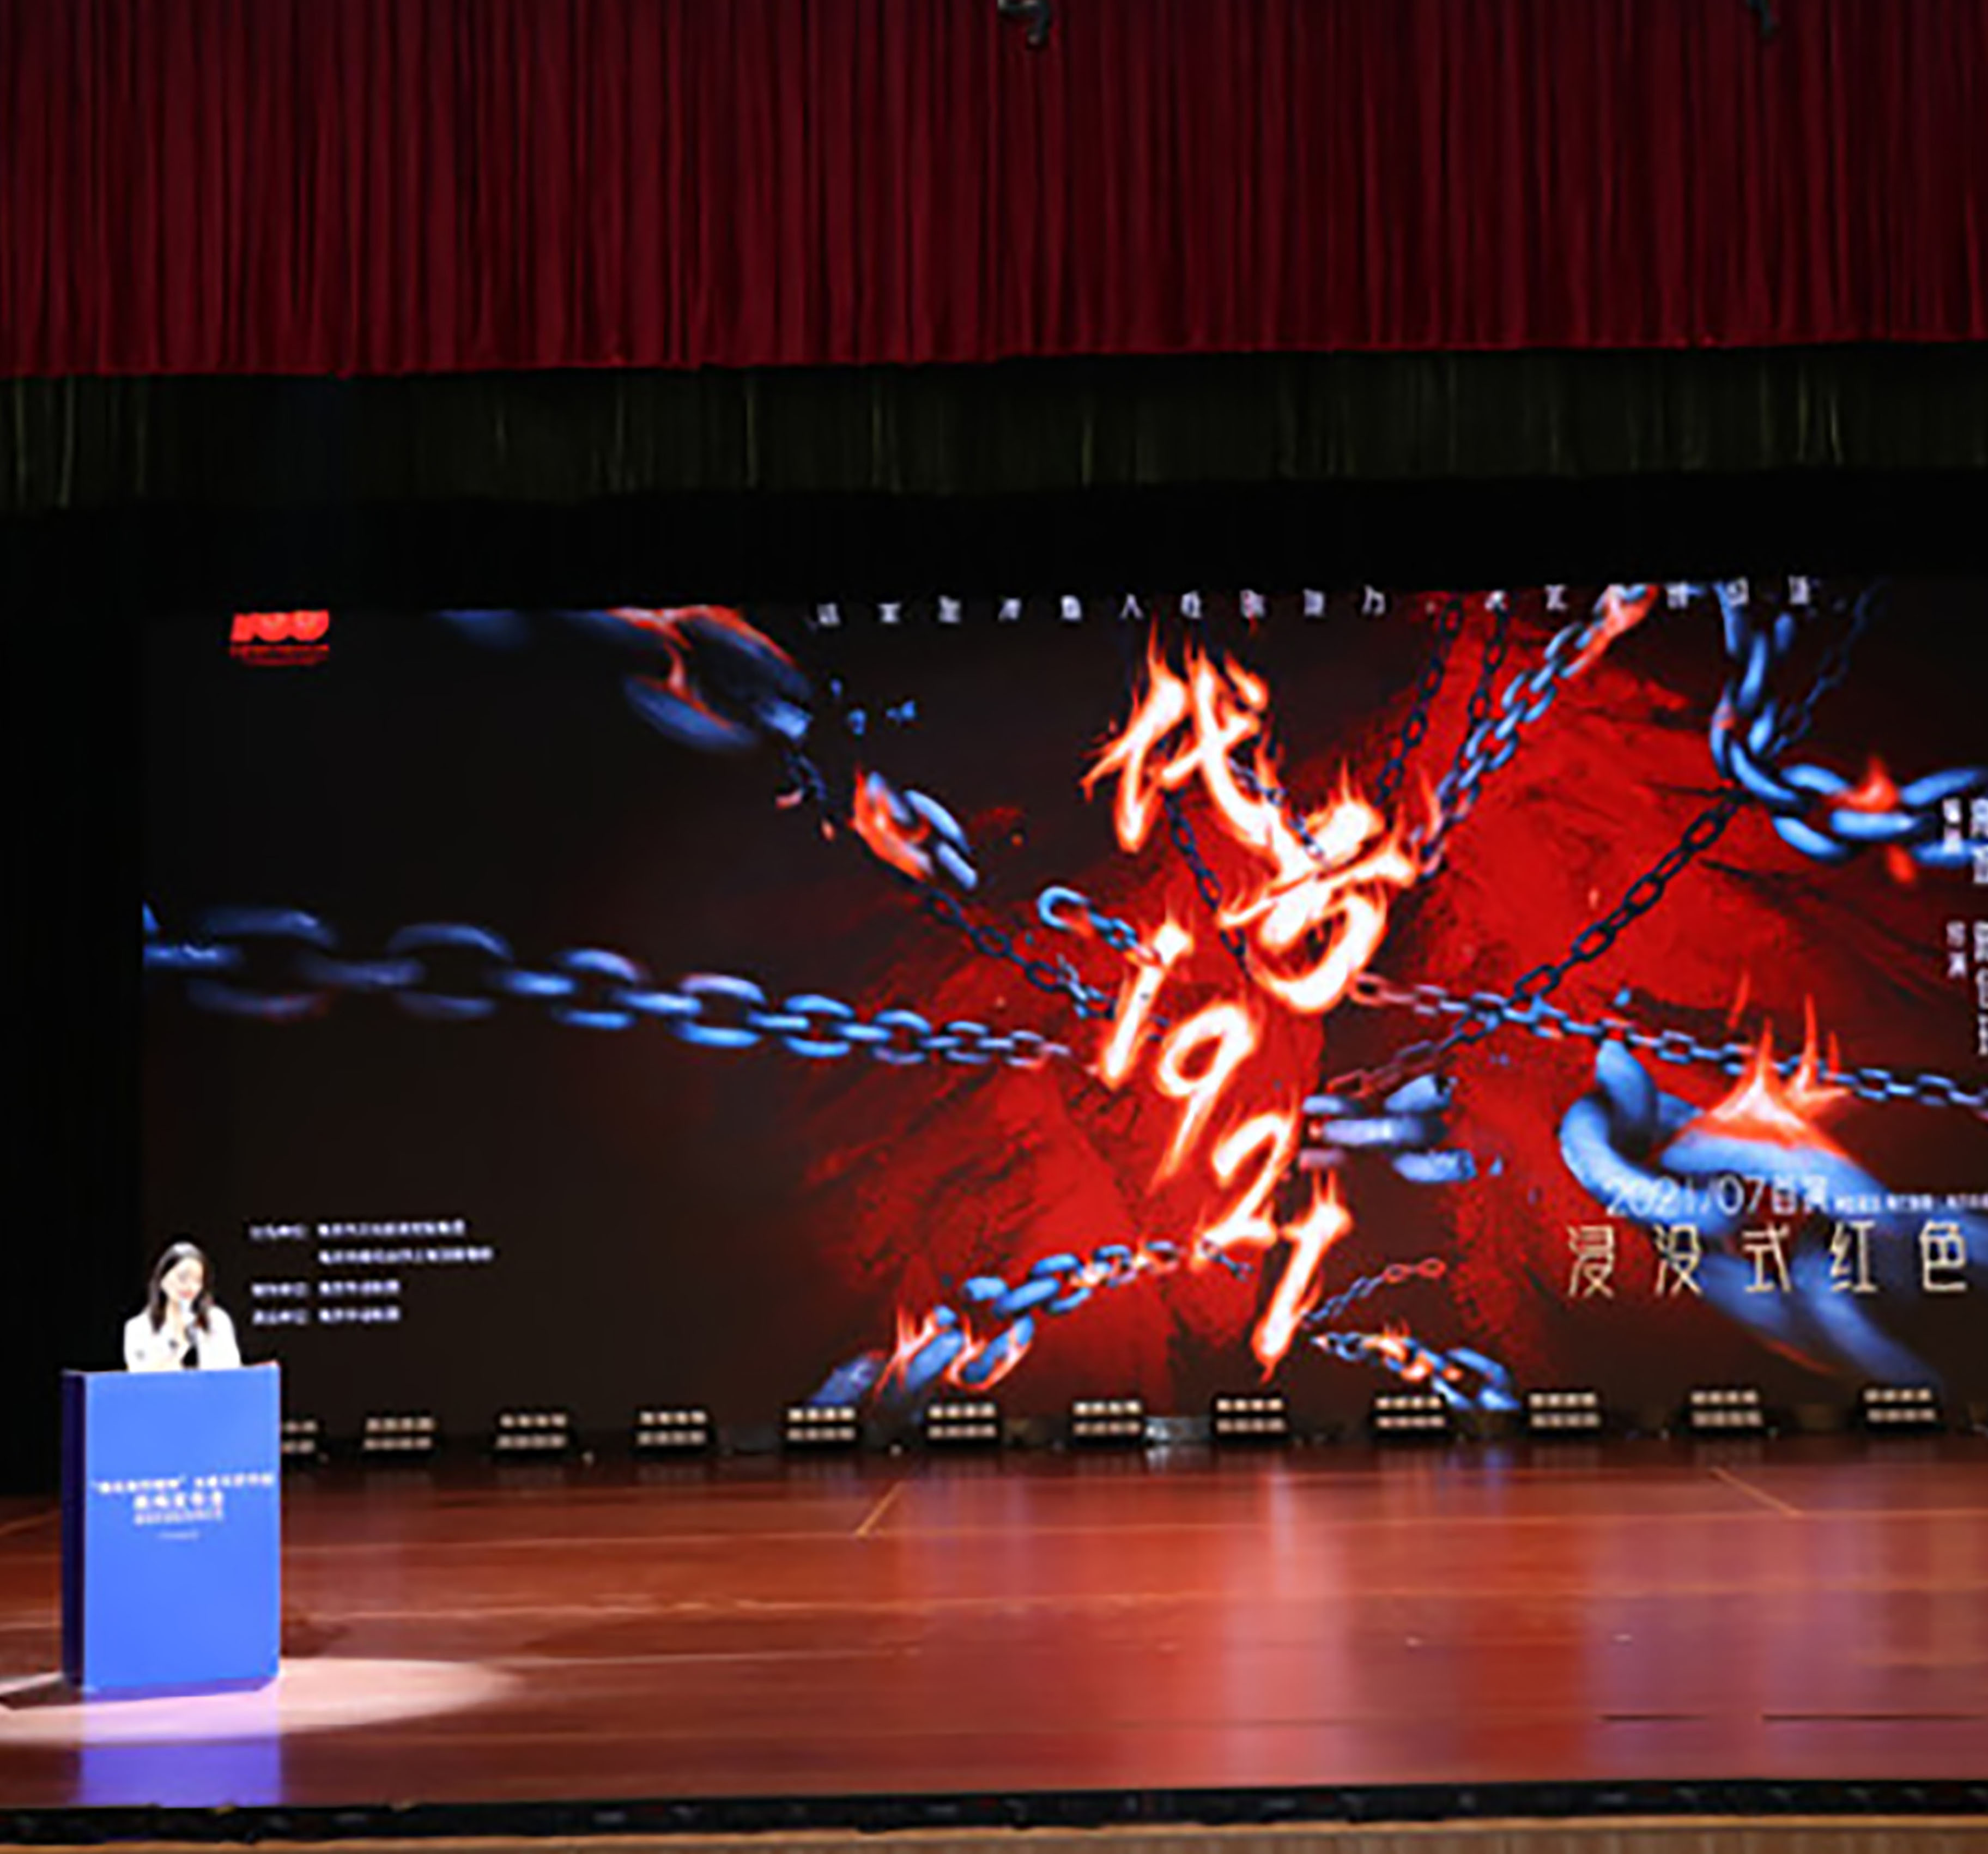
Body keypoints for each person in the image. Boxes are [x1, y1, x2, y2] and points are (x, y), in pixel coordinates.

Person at [124, 1240, 242, 1371]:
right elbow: (139, 1374)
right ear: (162, 1279)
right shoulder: (139, 1328)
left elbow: (231, 1368)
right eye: (183, 1278)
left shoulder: (217, 1321)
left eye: (197, 1280)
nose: (190, 1287)